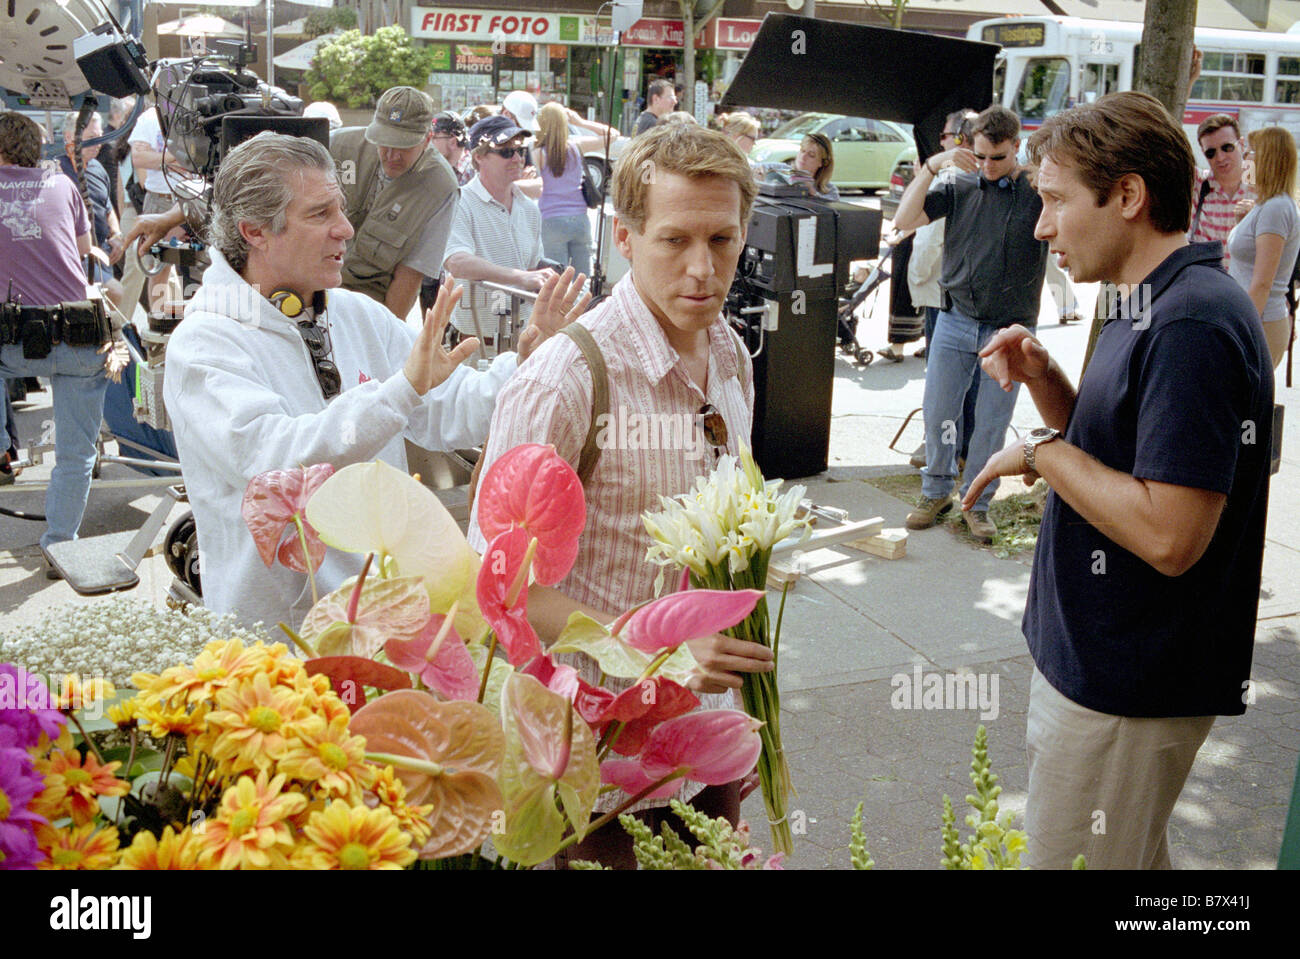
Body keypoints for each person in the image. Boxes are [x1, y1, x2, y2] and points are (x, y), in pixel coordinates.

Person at [965, 91, 1273, 869]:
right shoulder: (1151, 298)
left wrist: (1039, 453)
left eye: (1057, 200)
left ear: (1128, 196)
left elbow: (1170, 535)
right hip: (1106, 674)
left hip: (1127, 687)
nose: (1041, 226)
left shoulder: (1190, 323)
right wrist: (1045, 378)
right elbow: (1127, 450)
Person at [466, 122, 773, 868]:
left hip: (702, 745)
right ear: (625, 237)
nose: (703, 268)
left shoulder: (731, 350)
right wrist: (662, 646)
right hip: (598, 770)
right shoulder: (566, 380)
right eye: (674, 241)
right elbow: (497, 590)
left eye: (723, 240)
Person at [161, 131, 583, 630]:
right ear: (254, 231)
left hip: (388, 621)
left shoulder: (358, 314)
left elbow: (451, 412)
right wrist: (402, 389)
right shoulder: (205, 342)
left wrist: (528, 364)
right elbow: (275, 462)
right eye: (319, 214)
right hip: (280, 644)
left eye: (340, 209)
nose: (345, 229)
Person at [892, 105, 1048, 544]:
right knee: (941, 412)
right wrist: (928, 167)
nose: (987, 166)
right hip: (956, 318)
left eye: (997, 157)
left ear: (1016, 147)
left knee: (990, 423)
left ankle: (977, 504)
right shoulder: (959, 185)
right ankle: (936, 491)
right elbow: (904, 222)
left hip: (1010, 329)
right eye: (980, 156)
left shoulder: (1035, 191)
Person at [0, 111, 122, 566]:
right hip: (78, 333)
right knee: (76, 454)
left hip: (13, 337)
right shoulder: (64, 185)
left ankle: (0, 447)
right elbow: (83, 247)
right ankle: (60, 547)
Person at [330, 86, 459, 321]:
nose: (391, 155)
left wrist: (386, 337)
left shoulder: (440, 188)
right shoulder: (338, 146)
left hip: (368, 307)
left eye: (403, 146)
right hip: (312, 290)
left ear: (427, 139)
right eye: (384, 143)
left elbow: (410, 276)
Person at [443, 115, 553, 352]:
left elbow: (532, 268)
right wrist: (519, 277)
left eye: (520, 151)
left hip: (522, 343)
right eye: (506, 152)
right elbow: (457, 262)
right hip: (474, 345)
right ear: (479, 156)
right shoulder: (461, 202)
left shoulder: (530, 209)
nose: (517, 158)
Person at [1228, 126, 1300, 368]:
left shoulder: (1275, 208)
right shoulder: (1267, 206)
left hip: (1259, 322)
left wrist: (1240, 327)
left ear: (1265, 159)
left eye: (1248, 151)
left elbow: (1262, 283)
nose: (1243, 158)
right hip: (1256, 318)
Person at [535, 101, 618, 277]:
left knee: (556, 279)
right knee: (582, 278)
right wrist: (580, 122)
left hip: (551, 219)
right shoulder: (576, 146)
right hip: (580, 219)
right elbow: (613, 135)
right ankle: (584, 305)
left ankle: (560, 306)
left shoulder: (538, 153)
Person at [59, 112, 122, 285]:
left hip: (102, 252)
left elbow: (106, 206)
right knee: (116, 292)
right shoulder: (58, 171)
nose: (98, 144)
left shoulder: (97, 167)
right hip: (74, 254)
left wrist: (116, 234)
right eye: (92, 138)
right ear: (69, 137)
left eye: (100, 137)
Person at [1189, 113, 1256, 268]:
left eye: (1227, 147)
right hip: (1205, 285)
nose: (1220, 157)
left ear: (1241, 144)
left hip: (1246, 288)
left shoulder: (1261, 187)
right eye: (1211, 153)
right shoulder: (1199, 184)